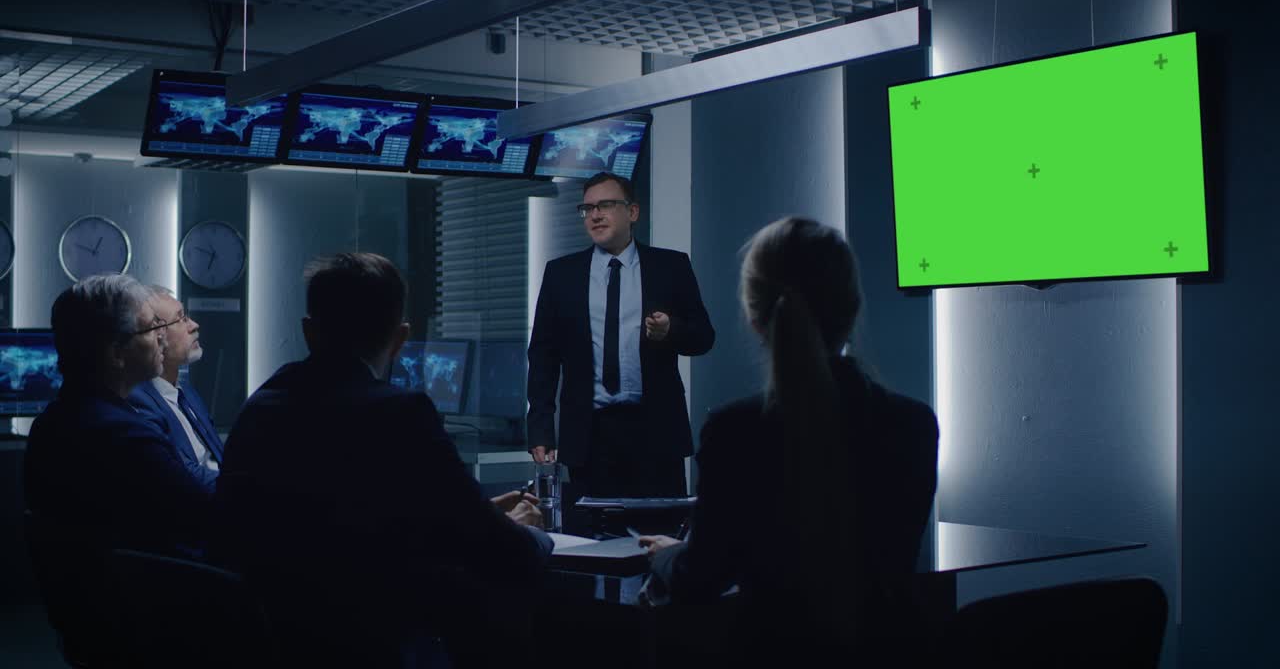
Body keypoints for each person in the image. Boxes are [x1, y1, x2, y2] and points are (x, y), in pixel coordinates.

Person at [216, 252, 552, 668]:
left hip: (273, 643)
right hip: (374, 644)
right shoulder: (400, 413)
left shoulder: (259, 408)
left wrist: (479, 514)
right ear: (400, 337)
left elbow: (345, 520)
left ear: (308, 332)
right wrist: (530, 534)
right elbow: (492, 545)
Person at [637, 217, 940, 664]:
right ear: (853, 308)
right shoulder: (914, 424)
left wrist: (668, 556)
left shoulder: (735, 430)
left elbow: (700, 578)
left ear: (754, 317)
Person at [24, 274, 215, 662]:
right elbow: (205, 514)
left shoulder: (55, 421)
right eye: (151, 329)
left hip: (96, 620)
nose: (162, 338)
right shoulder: (123, 436)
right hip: (146, 623)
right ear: (116, 353)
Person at [527, 171, 714, 499]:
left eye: (606, 205)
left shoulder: (670, 267)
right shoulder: (561, 274)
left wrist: (670, 331)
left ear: (633, 212)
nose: (595, 215)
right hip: (589, 434)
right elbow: (543, 356)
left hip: (655, 433)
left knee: (658, 527)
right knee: (591, 528)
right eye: (588, 208)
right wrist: (541, 427)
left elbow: (703, 338)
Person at [127, 287, 223, 493]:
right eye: (181, 319)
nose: (194, 325)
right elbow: (183, 478)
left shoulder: (186, 391)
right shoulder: (137, 400)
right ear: (155, 336)